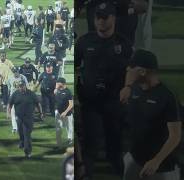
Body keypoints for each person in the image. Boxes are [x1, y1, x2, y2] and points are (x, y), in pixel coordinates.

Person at [76, 2, 133, 179]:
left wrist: (128, 87)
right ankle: (87, 175)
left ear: (113, 18)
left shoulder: (123, 44)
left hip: (114, 103)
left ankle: (118, 174)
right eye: (97, 17)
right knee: (91, 144)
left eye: (105, 17)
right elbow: (75, 66)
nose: (101, 21)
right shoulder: (84, 42)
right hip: (90, 103)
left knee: (114, 145)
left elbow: (132, 68)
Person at [122, 50, 182, 180]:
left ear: (142, 72)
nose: (128, 69)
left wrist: (156, 161)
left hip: (162, 168)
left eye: (132, 67)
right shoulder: (134, 91)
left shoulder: (167, 97)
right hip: (134, 160)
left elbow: (175, 136)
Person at [8, 80, 43, 158]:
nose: (21, 87)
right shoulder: (15, 94)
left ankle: (27, 151)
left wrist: (41, 113)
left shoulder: (31, 94)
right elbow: (10, 104)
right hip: (19, 117)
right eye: (19, 86)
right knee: (21, 132)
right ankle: (22, 142)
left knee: (27, 134)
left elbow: (38, 103)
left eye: (22, 86)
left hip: (29, 118)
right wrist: (8, 113)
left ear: (25, 86)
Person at [7, 66, 28, 133]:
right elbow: (9, 88)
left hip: (22, 97)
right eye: (14, 72)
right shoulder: (10, 78)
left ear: (18, 71)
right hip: (13, 98)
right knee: (13, 113)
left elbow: (27, 87)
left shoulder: (23, 77)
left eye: (16, 72)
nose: (15, 73)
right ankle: (15, 128)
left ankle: (23, 126)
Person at [54, 77, 74, 146]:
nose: (56, 83)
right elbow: (54, 93)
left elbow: (71, 104)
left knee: (69, 127)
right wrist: (56, 88)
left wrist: (65, 112)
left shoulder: (68, 92)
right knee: (58, 128)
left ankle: (70, 139)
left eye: (58, 82)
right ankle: (58, 142)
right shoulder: (57, 90)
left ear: (62, 83)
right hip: (58, 112)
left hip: (67, 114)